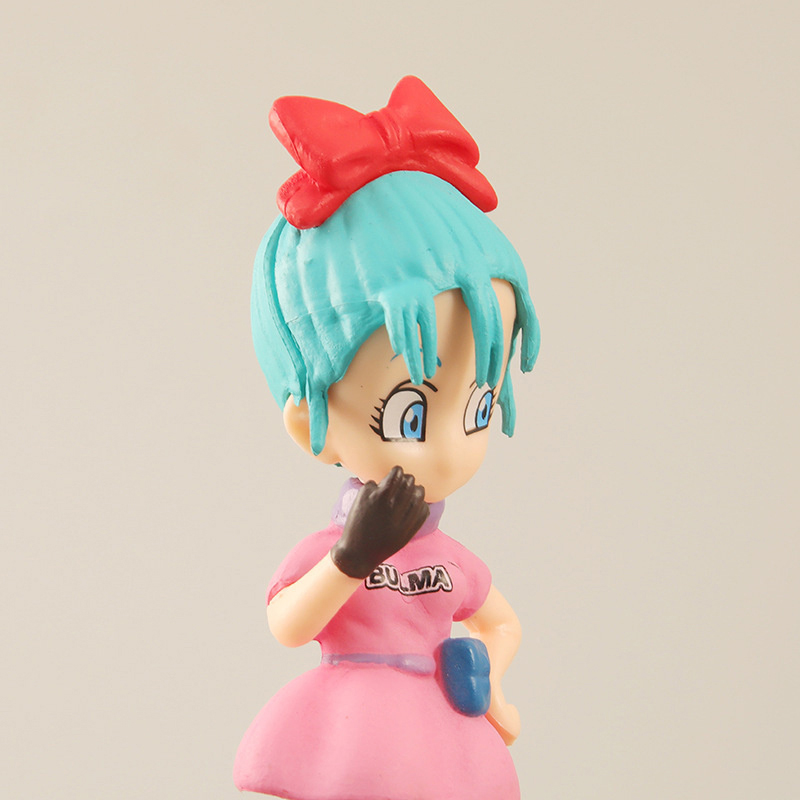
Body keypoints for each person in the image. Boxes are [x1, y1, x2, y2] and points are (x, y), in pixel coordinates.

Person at [234, 76, 540, 800]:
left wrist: (489, 682)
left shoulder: (451, 561)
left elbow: (503, 625)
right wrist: (350, 558)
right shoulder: (335, 549)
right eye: (410, 416)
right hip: (349, 726)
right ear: (311, 424)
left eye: (479, 409)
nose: (449, 450)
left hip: (440, 735)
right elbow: (288, 623)